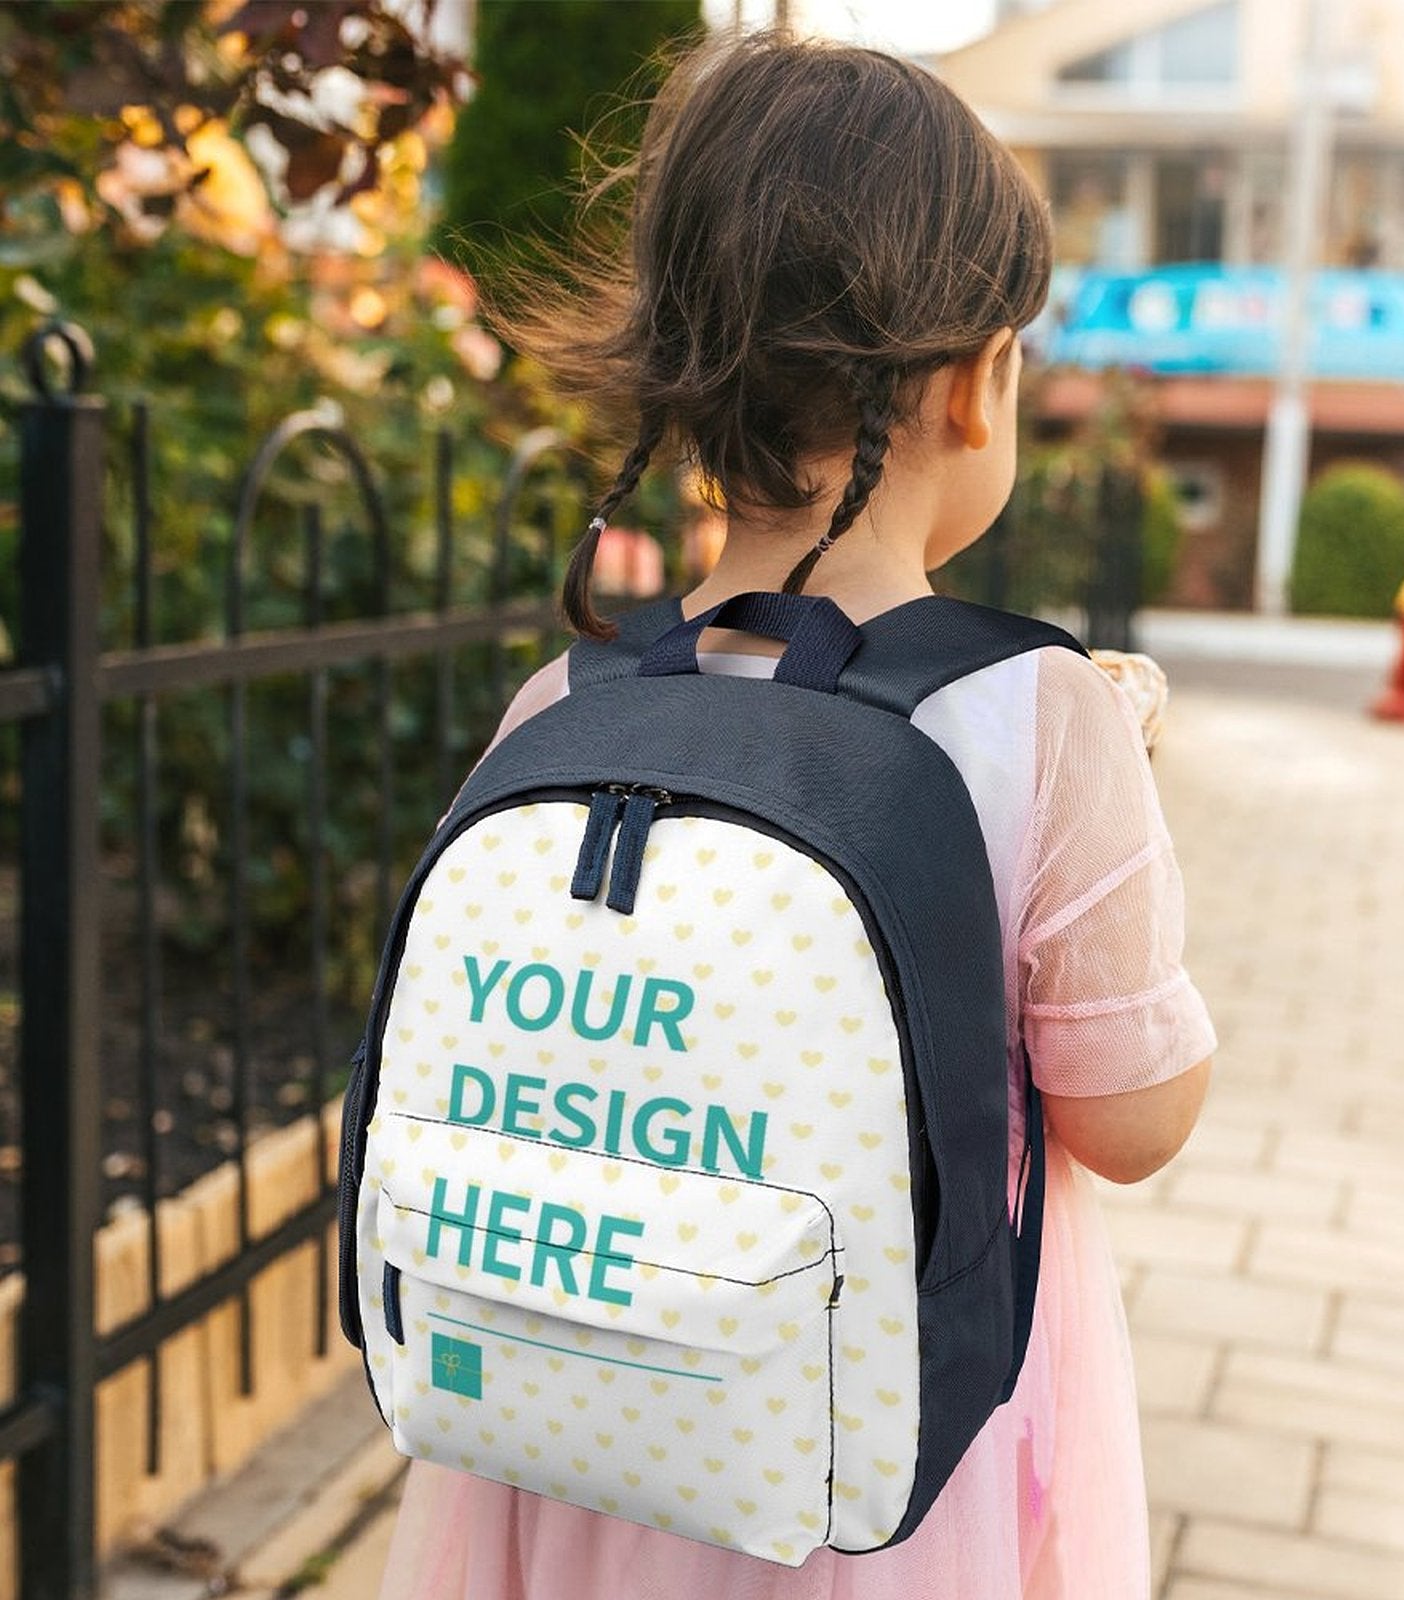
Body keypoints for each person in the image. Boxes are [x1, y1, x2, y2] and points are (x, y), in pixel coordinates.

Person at [379, 31, 1214, 1600]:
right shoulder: (1047, 718)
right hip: (878, 1474)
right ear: (976, 382)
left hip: (593, 1432)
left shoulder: (565, 712)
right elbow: (1136, 1118)